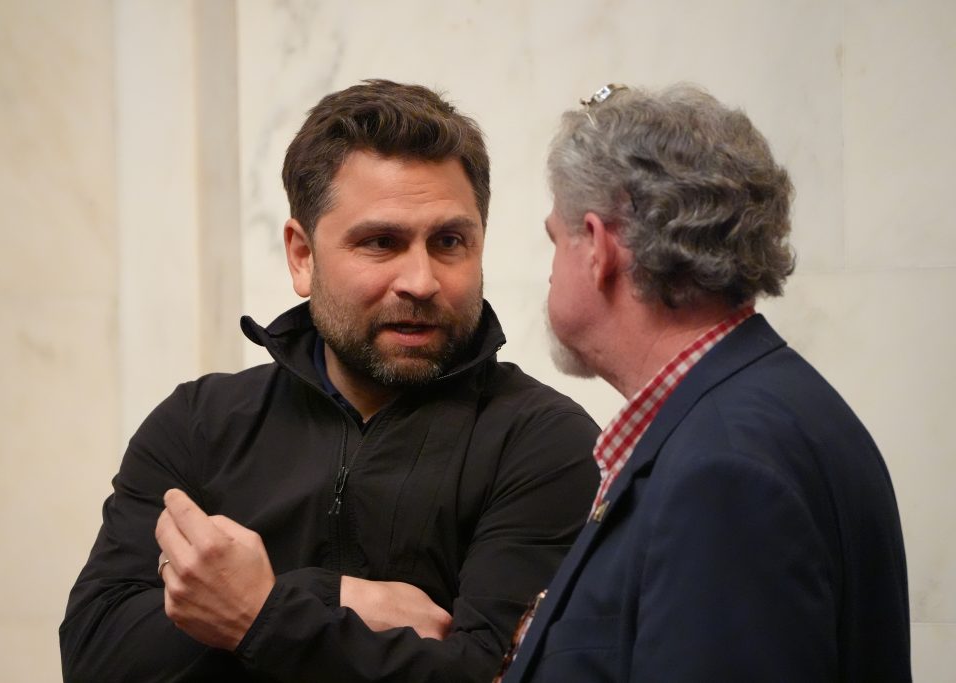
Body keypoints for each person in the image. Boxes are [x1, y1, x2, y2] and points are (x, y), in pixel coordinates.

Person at [59, 79, 600, 682]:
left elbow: (491, 675)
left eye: (449, 242)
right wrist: (326, 597)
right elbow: (97, 656)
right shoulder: (199, 424)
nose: (420, 280)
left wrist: (253, 616)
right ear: (302, 256)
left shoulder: (544, 443)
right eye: (380, 242)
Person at [499, 84, 911, 682]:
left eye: (556, 241)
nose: (553, 270)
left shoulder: (723, 469)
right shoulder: (764, 412)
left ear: (598, 248)